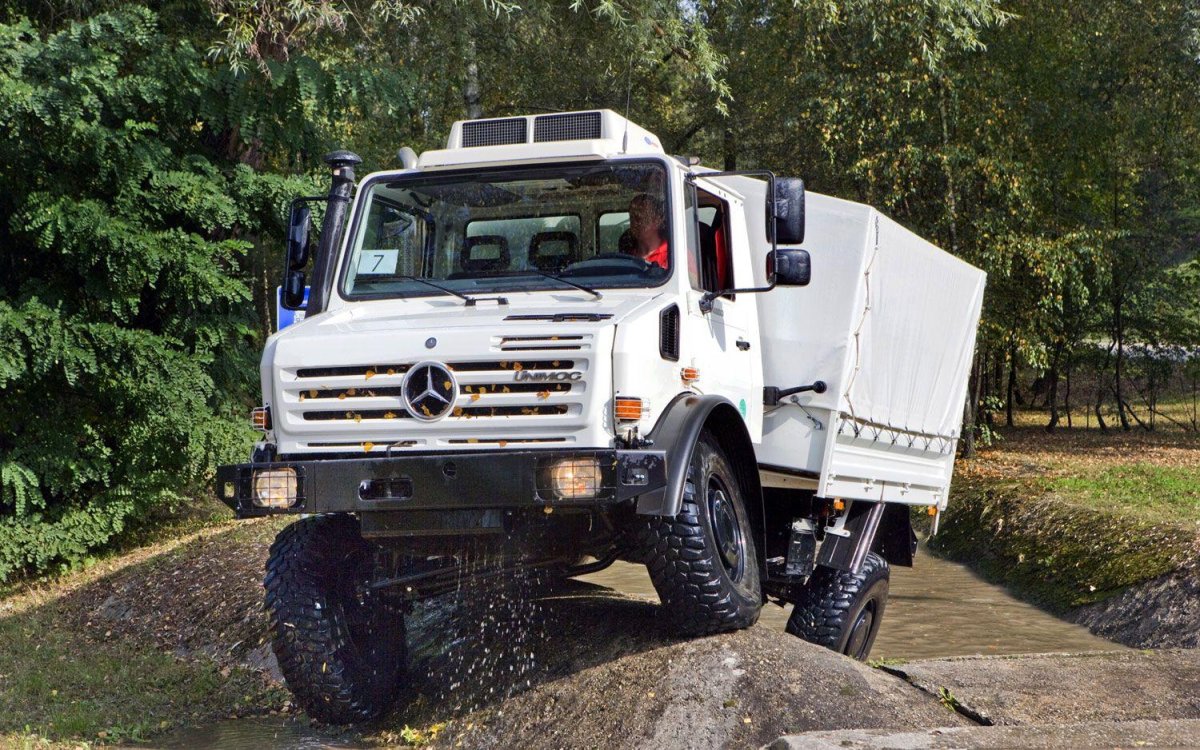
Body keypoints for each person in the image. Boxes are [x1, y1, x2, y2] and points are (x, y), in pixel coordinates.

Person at [625, 194, 668, 269]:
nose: (635, 223)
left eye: (640, 218)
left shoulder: (675, 255)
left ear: (657, 220)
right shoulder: (626, 259)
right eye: (632, 217)